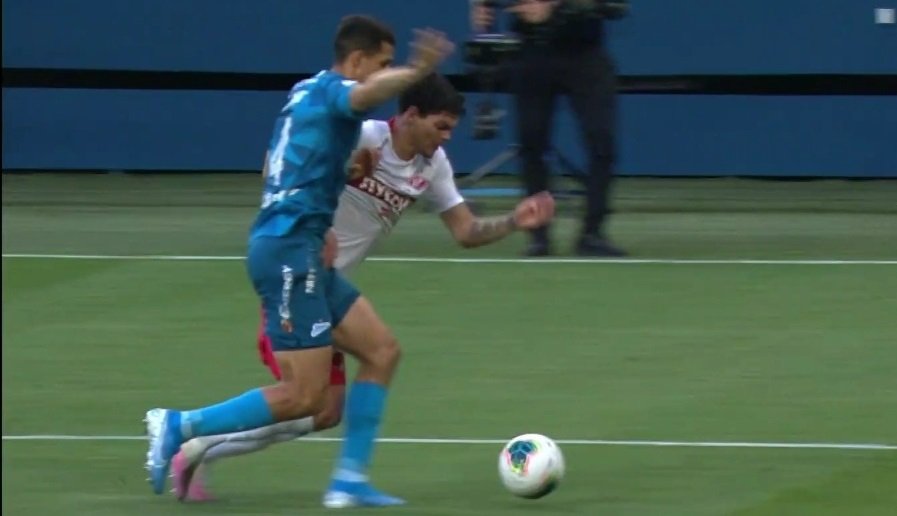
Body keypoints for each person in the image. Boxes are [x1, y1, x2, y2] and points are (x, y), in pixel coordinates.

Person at [169, 73, 556, 503]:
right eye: (441, 126)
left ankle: (208, 448)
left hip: (327, 288)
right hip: (296, 275)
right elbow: (275, 166)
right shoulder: (363, 135)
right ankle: (195, 436)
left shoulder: (433, 165)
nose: (447, 137)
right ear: (410, 115)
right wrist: (329, 199)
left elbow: (466, 231)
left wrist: (514, 222)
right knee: (323, 389)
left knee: (327, 407)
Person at [143, 15, 456, 509]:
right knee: (307, 397)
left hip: (302, 245)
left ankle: (349, 480)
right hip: (288, 249)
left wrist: (342, 173)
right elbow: (361, 96)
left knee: (382, 351)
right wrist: (417, 71)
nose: (384, 73)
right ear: (357, 60)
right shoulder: (337, 91)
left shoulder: (304, 91)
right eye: (382, 64)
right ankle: (180, 425)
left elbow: (287, 162)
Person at [472, 0, 628, 257]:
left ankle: (593, 233)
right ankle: (538, 235)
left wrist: (555, 4)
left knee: (602, 142)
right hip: (532, 51)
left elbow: (616, 7)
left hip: (584, 51)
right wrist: (482, 7)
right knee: (531, 144)